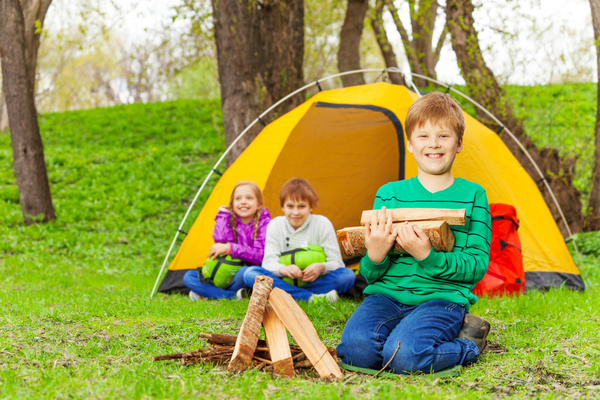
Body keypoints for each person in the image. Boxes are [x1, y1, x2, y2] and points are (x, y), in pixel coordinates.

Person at [336, 92, 492, 374]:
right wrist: (376, 253)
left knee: (404, 357)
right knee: (355, 351)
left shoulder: (473, 195)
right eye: (423, 136)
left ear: (458, 144)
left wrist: (427, 257)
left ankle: (468, 343)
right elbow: (371, 274)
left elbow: (477, 266)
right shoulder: (389, 195)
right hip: (385, 297)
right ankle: (403, 336)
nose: (433, 143)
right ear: (410, 144)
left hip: (442, 299)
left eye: (444, 136)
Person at [243, 178, 355, 302]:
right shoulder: (275, 225)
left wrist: (321, 267)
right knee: (251, 273)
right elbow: (268, 262)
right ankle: (311, 298)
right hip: (282, 280)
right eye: (290, 206)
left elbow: (337, 263)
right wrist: (283, 269)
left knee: (347, 275)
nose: (295, 212)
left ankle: (288, 295)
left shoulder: (322, 223)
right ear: (282, 207)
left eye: (301, 206)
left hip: (315, 281)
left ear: (311, 207)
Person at [183, 181, 271, 300]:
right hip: (223, 272)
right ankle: (231, 296)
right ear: (232, 204)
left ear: (259, 204)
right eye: (238, 198)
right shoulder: (230, 220)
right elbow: (220, 240)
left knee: (245, 272)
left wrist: (230, 249)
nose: (243, 201)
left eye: (249, 198)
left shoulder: (264, 223)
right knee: (189, 277)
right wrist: (223, 215)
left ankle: (208, 294)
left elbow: (259, 255)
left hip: (242, 276)